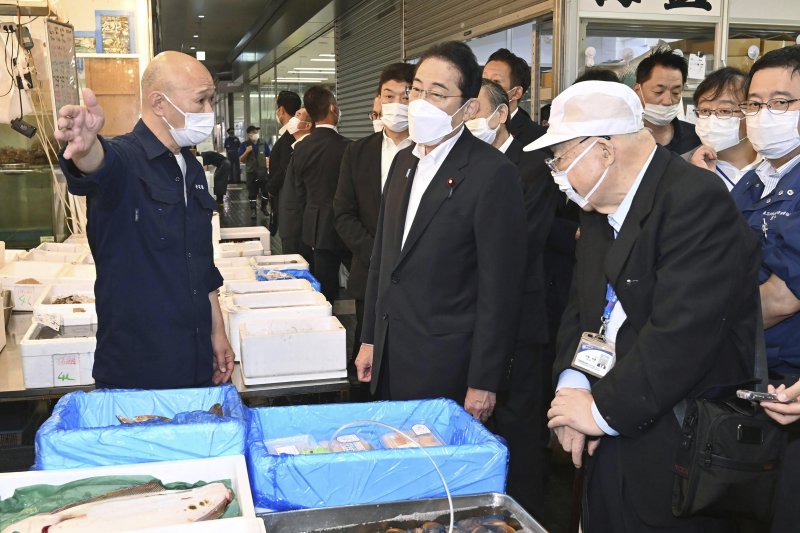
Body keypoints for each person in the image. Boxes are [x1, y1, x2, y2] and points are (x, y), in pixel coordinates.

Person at [532, 80, 760, 532]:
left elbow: (683, 333)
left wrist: (599, 413)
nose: (556, 172)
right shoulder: (598, 206)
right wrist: (572, 388)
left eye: (559, 158)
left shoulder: (695, 200)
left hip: (676, 440)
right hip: (611, 426)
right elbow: (583, 308)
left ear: (603, 150)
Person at [355, 41, 527, 422]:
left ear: (468, 108)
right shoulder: (404, 162)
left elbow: (500, 289)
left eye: (437, 93)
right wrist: (370, 339)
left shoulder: (492, 174)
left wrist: (484, 379)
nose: (419, 102)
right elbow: (384, 261)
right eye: (416, 89)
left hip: (446, 365)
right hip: (389, 355)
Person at [54, 51, 234, 389]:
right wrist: (85, 148)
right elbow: (97, 165)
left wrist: (217, 331)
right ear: (159, 103)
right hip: (138, 367)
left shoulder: (191, 168)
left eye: (212, 100)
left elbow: (201, 263)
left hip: (195, 358)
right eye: (201, 100)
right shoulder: (125, 159)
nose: (209, 112)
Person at [468, 76, 559, 511]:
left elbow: (520, 244)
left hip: (519, 320)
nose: (468, 119)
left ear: (501, 114)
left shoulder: (531, 166)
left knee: (520, 427)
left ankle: (523, 512)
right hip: (473, 321)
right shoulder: (462, 164)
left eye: (476, 109)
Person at [729, 45, 800, 532]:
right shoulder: (753, 182)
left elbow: (782, 297)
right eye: (754, 104)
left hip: (789, 383)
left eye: (782, 103)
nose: (763, 115)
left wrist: (695, 319)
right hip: (746, 372)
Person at [334, 62, 414, 363]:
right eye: (388, 96)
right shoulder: (357, 152)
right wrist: (377, 254)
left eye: (405, 97)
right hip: (369, 272)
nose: (395, 105)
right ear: (377, 101)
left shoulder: (429, 150)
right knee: (367, 354)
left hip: (417, 278)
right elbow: (343, 214)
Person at [292, 86, 351, 303]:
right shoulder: (348, 147)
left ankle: (326, 325)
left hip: (316, 227)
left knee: (325, 286)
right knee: (363, 277)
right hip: (347, 225)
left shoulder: (300, 148)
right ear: (333, 108)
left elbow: (299, 193)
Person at [689, 67, 760, 190]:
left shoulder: (775, 162)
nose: (712, 119)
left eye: (724, 110)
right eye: (705, 111)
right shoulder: (683, 167)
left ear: (751, 111)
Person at [634, 47, 700, 156]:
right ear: (638, 91)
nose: (667, 101)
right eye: (658, 91)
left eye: (675, 92)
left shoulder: (695, 139)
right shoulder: (622, 138)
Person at [483, 48, 546, 145]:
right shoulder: (468, 123)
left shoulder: (536, 137)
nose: (484, 87)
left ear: (516, 93)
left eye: (496, 82)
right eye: (483, 80)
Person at [264, 90, 302, 240]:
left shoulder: (291, 135)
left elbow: (286, 167)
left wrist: (271, 188)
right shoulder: (293, 134)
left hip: (289, 202)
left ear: (281, 110)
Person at [279, 108, 313, 262]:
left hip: (298, 228)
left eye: (298, 115)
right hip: (291, 225)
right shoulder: (298, 147)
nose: (293, 118)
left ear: (307, 125)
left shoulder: (307, 150)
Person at [239, 125, 270, 218]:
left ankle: (264, 207)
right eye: (253, 132)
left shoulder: (263, 143)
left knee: (265, 191)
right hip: (251, 172)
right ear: (248, 135)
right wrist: (247, 151)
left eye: (256, 132)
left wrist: (269, 167)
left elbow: (269, 155)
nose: (255, 134)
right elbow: (241, 159)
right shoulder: (244, 145)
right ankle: (253, 211)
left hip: (263, 171)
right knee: (252, 193)